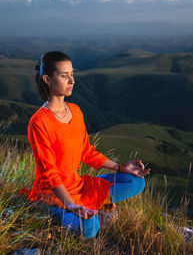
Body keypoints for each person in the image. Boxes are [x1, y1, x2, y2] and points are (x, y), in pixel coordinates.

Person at [21, 51, 150, 239]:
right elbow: (49, 172)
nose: (71, 81)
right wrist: (70, 204)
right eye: (64, 76)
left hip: (78, 186)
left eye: (72, 74)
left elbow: (87, 152)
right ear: (47, 79)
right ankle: (68, 210)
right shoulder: (39, 122)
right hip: (53, 197)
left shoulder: (75, 110)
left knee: (136, 181)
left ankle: (93, 202)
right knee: (89, 227)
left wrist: (120, 167)